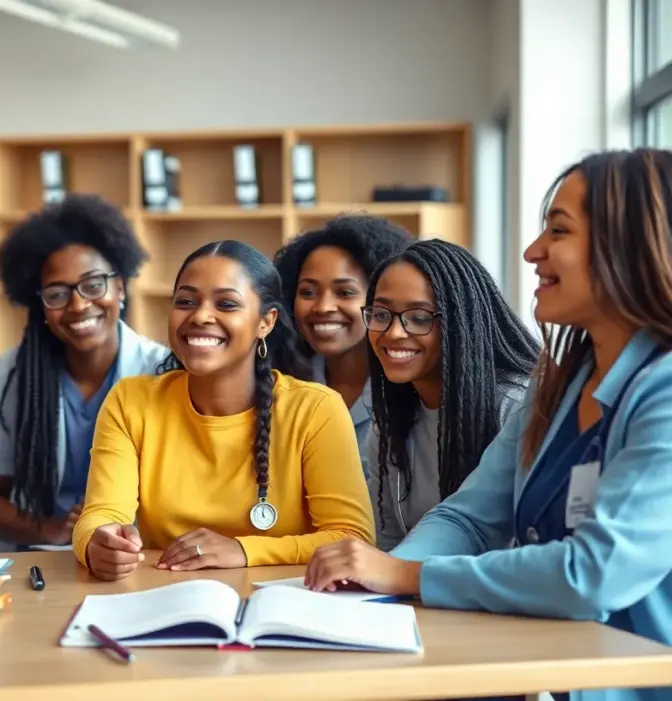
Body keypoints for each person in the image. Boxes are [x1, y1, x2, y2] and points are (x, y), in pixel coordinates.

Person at [304, 149, 672, 701]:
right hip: (561, 678)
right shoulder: (561, 383)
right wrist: (373, 577)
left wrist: (408, 578)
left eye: (559, 231)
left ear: (630, 245)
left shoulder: (663, 392)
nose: (533, 251)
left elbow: (592, 574)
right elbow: (469, 516)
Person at [72, 240, 374, 581]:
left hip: (284, 601)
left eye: (227, 304)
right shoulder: (130, 401)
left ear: (266, 322)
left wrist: (243, 550)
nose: (200, 316)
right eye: (185, 302)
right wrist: (96, 545)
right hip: (166, 596)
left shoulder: (316, 409)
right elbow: (101, 513)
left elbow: (351, 536)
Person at [0, 195, 168, 551]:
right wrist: (49, 528)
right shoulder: (14, 374)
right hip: (38, 559)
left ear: (120, 287)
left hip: (134, 556)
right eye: (57, 294)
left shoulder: (162, 371)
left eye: (93, 285)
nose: (78, 305)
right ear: (39, 304)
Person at [358, 239, 539, 550]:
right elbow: (387, 543)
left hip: (492, 596)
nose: (394, 332)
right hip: (419, 593)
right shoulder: (390, 422)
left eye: (419, 317)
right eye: (381, 314)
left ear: (460, 323)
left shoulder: (516, 407)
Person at [273, 214, 411, 467]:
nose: (324, 307)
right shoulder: (280, 384)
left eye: (345, 292)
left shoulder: (411, 388)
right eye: (308, 292)